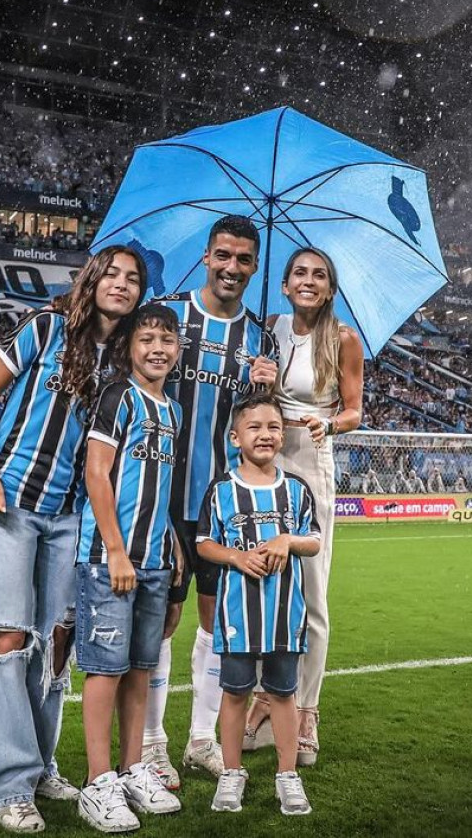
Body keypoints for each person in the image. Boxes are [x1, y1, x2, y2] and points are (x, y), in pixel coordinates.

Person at [0, 245, 147, 833]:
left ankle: (42, 766)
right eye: (111, 273)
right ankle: (8, 786)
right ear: (91, 279)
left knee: (56, 644)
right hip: (11, 505)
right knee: (7, 641)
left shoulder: (124, 364)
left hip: (71, 517)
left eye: (132, 279)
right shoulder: (45, 329)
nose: (120, 284)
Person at [141, 215, 277, 788]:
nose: (233, 267)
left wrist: (267, 387)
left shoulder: (261, 340)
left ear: (254, 266)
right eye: (224, 255)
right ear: (205, 256)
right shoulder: (171, 318)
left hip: (225, 505)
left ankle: (201, 739)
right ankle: (151, 744)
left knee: (216, 625)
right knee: (159, 623)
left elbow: (262, 425)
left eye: (245, 259)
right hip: (163, 497)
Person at [244, 247, 363, 767]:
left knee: (311, 594)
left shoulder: (343, 339)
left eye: (319, 275)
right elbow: (250, 396)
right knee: (259, 583)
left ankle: (307, 710)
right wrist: (259, 380)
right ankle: (262, 700)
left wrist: (329, 424)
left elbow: (356, 409)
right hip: (264, 454)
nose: (308, 281)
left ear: (330, 288)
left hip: (312, 458)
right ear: (285, 284)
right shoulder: (267, 328)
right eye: (299, 273)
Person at [75, 304, 184, 832]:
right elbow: (97, 474)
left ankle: (132, 766)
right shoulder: (118, 396)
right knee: (105, 669)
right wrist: (116, 550)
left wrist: (174, 549)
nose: (157, 348)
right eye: (147, 339)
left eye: (167, 339)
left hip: (157, 562)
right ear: (130, 346)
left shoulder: (175, 410)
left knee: (141, 667)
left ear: (178, 349)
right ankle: (98, 783)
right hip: (109, 559)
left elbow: (164, 490)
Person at [196, 394, 321, 815]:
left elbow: (315, 540)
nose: (265, 434)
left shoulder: (296, 490)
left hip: (285, 616)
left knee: (283, 695)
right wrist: (236, 556)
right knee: (235, 694)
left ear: (282, 437)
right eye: (254, 427)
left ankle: (288, 775)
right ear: (235, 437)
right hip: (237, 617)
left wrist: (287, 540)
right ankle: (232, 773)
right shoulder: (222, 490)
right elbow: (204, 543)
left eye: (273, 427)